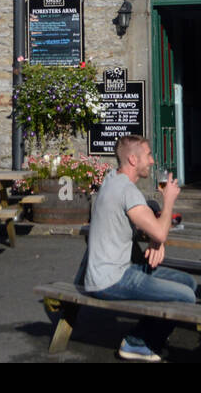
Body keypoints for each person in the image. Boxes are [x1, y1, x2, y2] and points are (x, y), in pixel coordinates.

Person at [83, 135, 194, 362]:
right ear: (133, 159)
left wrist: (155, 241)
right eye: (148, 155)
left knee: (188, 282)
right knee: (186, 297)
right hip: (110, 279)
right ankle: (138, 343)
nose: (152, 161)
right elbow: (160, 230)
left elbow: (147, 219)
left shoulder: (111, 179)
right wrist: (169, 200)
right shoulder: (127, 191)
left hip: (113, 270)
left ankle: (148, 334)